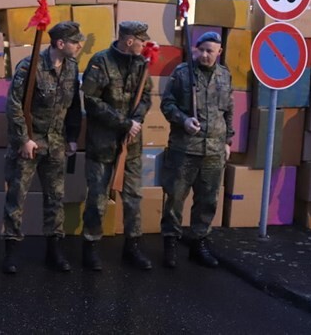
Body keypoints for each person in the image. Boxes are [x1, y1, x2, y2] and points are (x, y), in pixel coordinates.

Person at [1, 21, 84, 274]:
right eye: (75, 42)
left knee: (55, 197)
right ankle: (11, 250)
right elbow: (14, 105)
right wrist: (23, 139)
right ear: (60, 43)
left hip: (56, 142)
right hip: (30, 142)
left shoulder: (72, 67)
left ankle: (54, 249)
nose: (79, 45)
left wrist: (72, 137)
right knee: (17, 196)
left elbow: (73, 105)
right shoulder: (29, 67)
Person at [80, 21, 153, 271]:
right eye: (141, 40)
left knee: (133, 198)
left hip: (130, 146)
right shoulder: (101, 62)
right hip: (102, 144)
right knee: (97, 199)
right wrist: (124, 123)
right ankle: (91, 246)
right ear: (129, 41)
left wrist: (136, 121)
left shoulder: (142, 64)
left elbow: (146, 97)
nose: (144, 44)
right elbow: (90, 100)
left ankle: (132, 247)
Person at [160, 31, 233, 268]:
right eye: (200, 50)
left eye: (209, 51)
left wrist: (228, 141)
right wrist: (183, 120)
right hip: (184, 149)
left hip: (213, 150)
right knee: (175, 198)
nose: (204, 55)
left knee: (207, 200)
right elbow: (167, 104)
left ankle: (199, 244)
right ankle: (170, 243)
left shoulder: (224, 76)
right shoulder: (183, 73)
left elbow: (229, 111)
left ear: (219, 52)